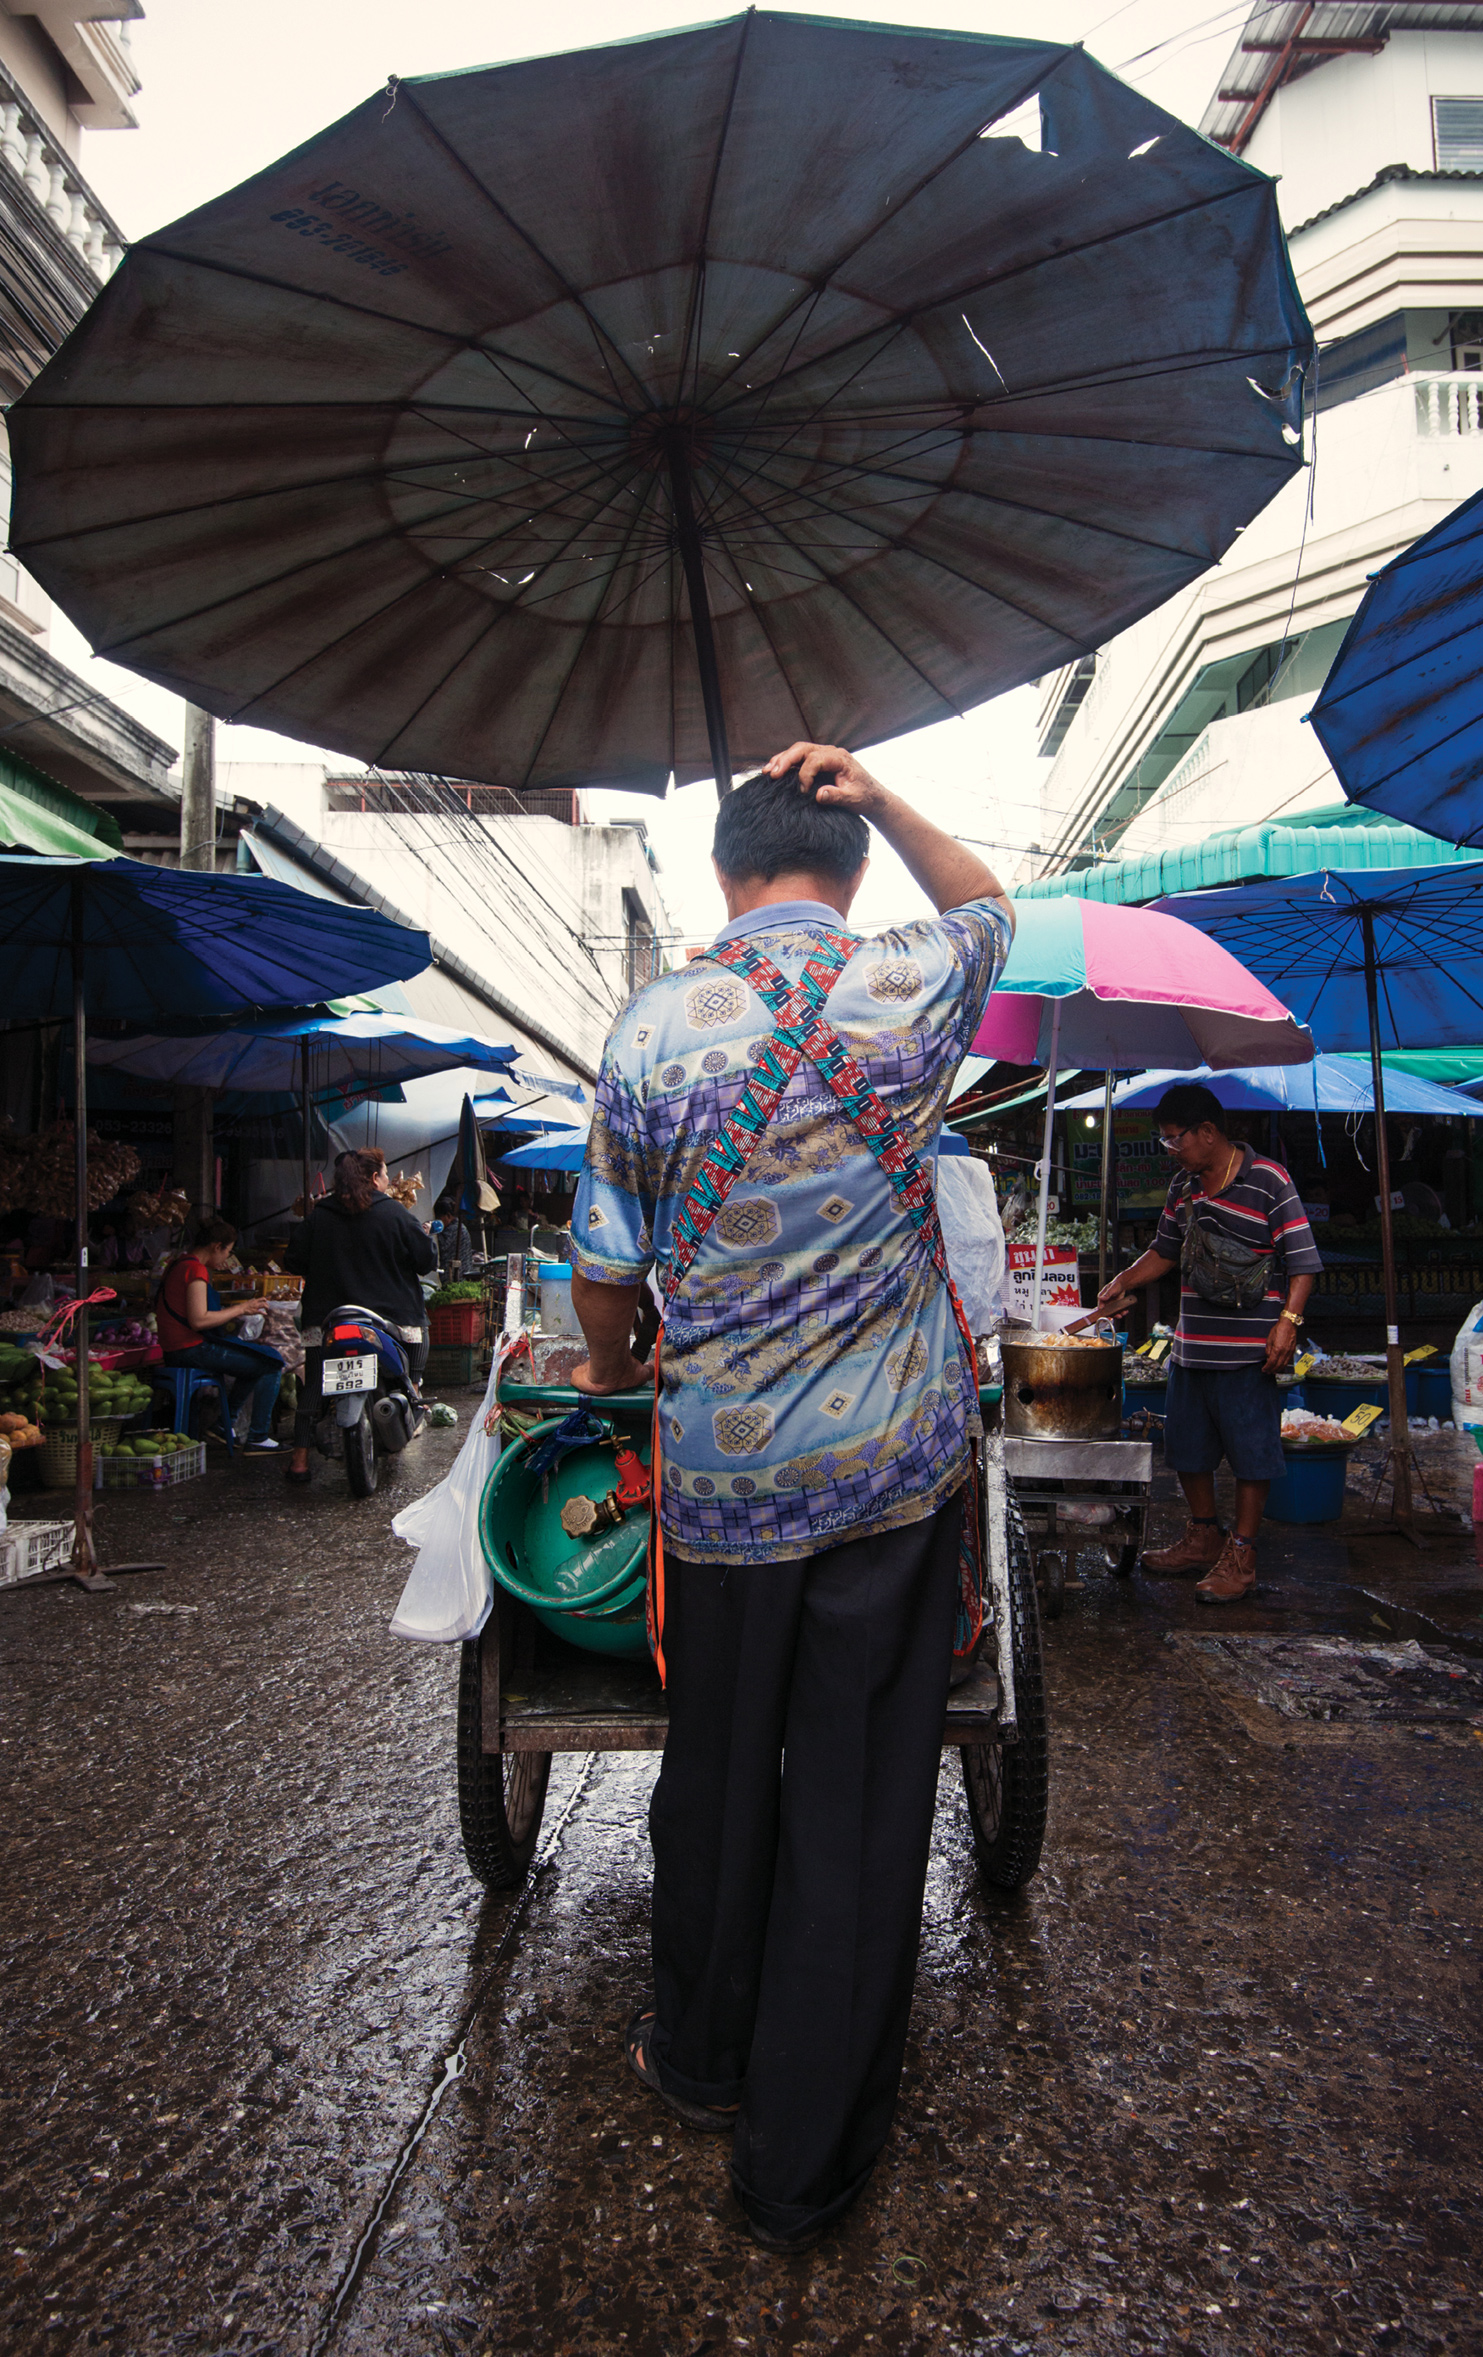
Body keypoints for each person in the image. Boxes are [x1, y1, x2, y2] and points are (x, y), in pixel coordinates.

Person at [569, 742, 1013, 2253]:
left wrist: (624, 1361)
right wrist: (887, 795)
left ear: (718, 875)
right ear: (850, 871)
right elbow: (991, 900)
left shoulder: (645, 1028)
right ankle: (799, 2163)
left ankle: (696, 2058)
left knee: (712, 1769)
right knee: (855, 1796)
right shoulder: (906, 980)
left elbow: (605, 1275)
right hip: (887, 1481)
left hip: (715, 1486)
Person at [1095, 1082, 1322, 1603]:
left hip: (1250, 1353)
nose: (1171, 1149)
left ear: (1208, 1132)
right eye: (1166, 1141)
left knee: (1251, 1455)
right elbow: (1164, 1251)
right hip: (1192, 1345)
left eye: (1176, 1139)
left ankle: (1241, 1556)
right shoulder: (1183, 1189)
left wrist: (1288, 1321)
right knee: (1188, 1451)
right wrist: (1123, 1281)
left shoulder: (1268, 1180)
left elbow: (1304, 1260)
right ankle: (1202, 1536)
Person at [282, 1147, 436, 1487]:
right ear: (373, 1178)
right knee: (418, 1337)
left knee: (315, 1386)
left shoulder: (319, 1215)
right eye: (384, 1174)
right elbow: (425, 1261)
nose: (385, 1179)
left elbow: (292, 1261)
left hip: (326, 1319)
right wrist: (425, 1237)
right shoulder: (395, 1214)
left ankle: (299, 1460)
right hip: (391, 1318)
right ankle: (412, 1396)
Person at [155, 1216, 286, 1454]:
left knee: (257, 1361)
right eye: (227, 1251)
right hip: (190, 1349)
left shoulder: (178, 1264)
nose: (227, 1258)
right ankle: (257, 1436)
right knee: (272, 1361)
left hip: (176, 1349)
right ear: (216, 1246)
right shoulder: (195, 1269)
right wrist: (241, 1309)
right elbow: (199, 1320)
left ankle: (225, 1425)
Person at [434, 1190, 477, 1279]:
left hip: (457, 1275)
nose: (436, 1221)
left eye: (439, 1218)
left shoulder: (455, 1228)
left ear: (448, 1216)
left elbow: (440, 1246)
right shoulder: (455, 1227)